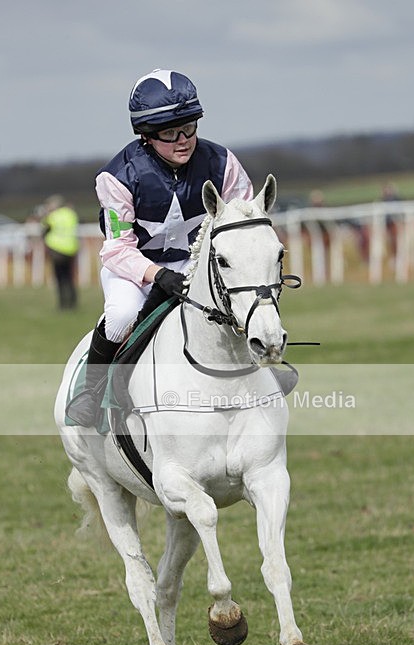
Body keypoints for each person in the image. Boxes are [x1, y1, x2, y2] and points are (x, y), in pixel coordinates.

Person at [67, 68, 253, 427]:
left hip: (197, 265)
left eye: (190, 128)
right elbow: (117, 249)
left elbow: (243, 219)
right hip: (135, 268)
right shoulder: (117, 177)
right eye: (170, 133)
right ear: (146, 136)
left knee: (243, 301)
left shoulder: (223, 163)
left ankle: (266, 371)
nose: (183, 140)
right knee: (122, 315)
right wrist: (157, 275)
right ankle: (91, 393)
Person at [41, 195, 79, 310]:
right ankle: (73, 302)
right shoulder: (71, 214)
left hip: (57, 250)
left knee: (60, 278)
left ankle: (63, 304)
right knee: (70, 277)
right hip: (71, 249)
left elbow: (44, 230)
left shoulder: (52, 216)